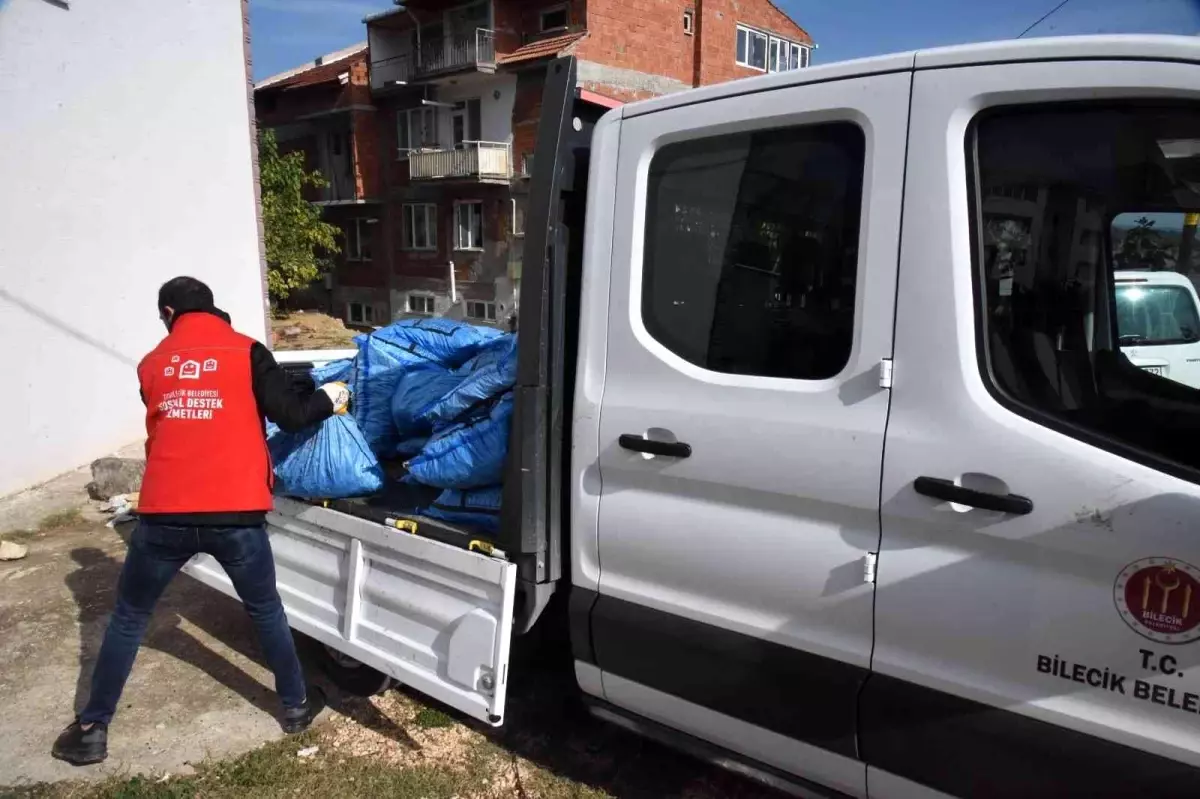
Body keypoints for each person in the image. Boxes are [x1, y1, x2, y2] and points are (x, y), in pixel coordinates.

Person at [52, 277, 350, 766]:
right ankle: (296, 707)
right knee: (265, 610)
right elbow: (293, 414)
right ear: (215, 309)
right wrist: (331, 396)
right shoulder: (248, 351)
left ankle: (90, 729)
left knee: (128, 617)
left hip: (164, 513)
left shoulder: (151, 363)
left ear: (168, 312)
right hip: (235, 513)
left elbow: (175, 421)